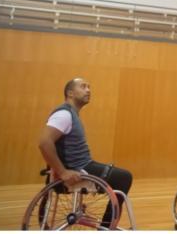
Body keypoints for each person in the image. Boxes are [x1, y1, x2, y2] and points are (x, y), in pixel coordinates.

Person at [38, 77, 133, 229]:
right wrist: (62, 172)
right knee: (124, 177)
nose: (88, 90)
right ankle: (107, 227)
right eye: (83, 87)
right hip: (78, 170)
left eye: (89, 87)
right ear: (70, 93)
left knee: (115, 173)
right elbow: (44, 143)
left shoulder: (71, 114)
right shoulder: (64, 114)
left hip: (81, 166)